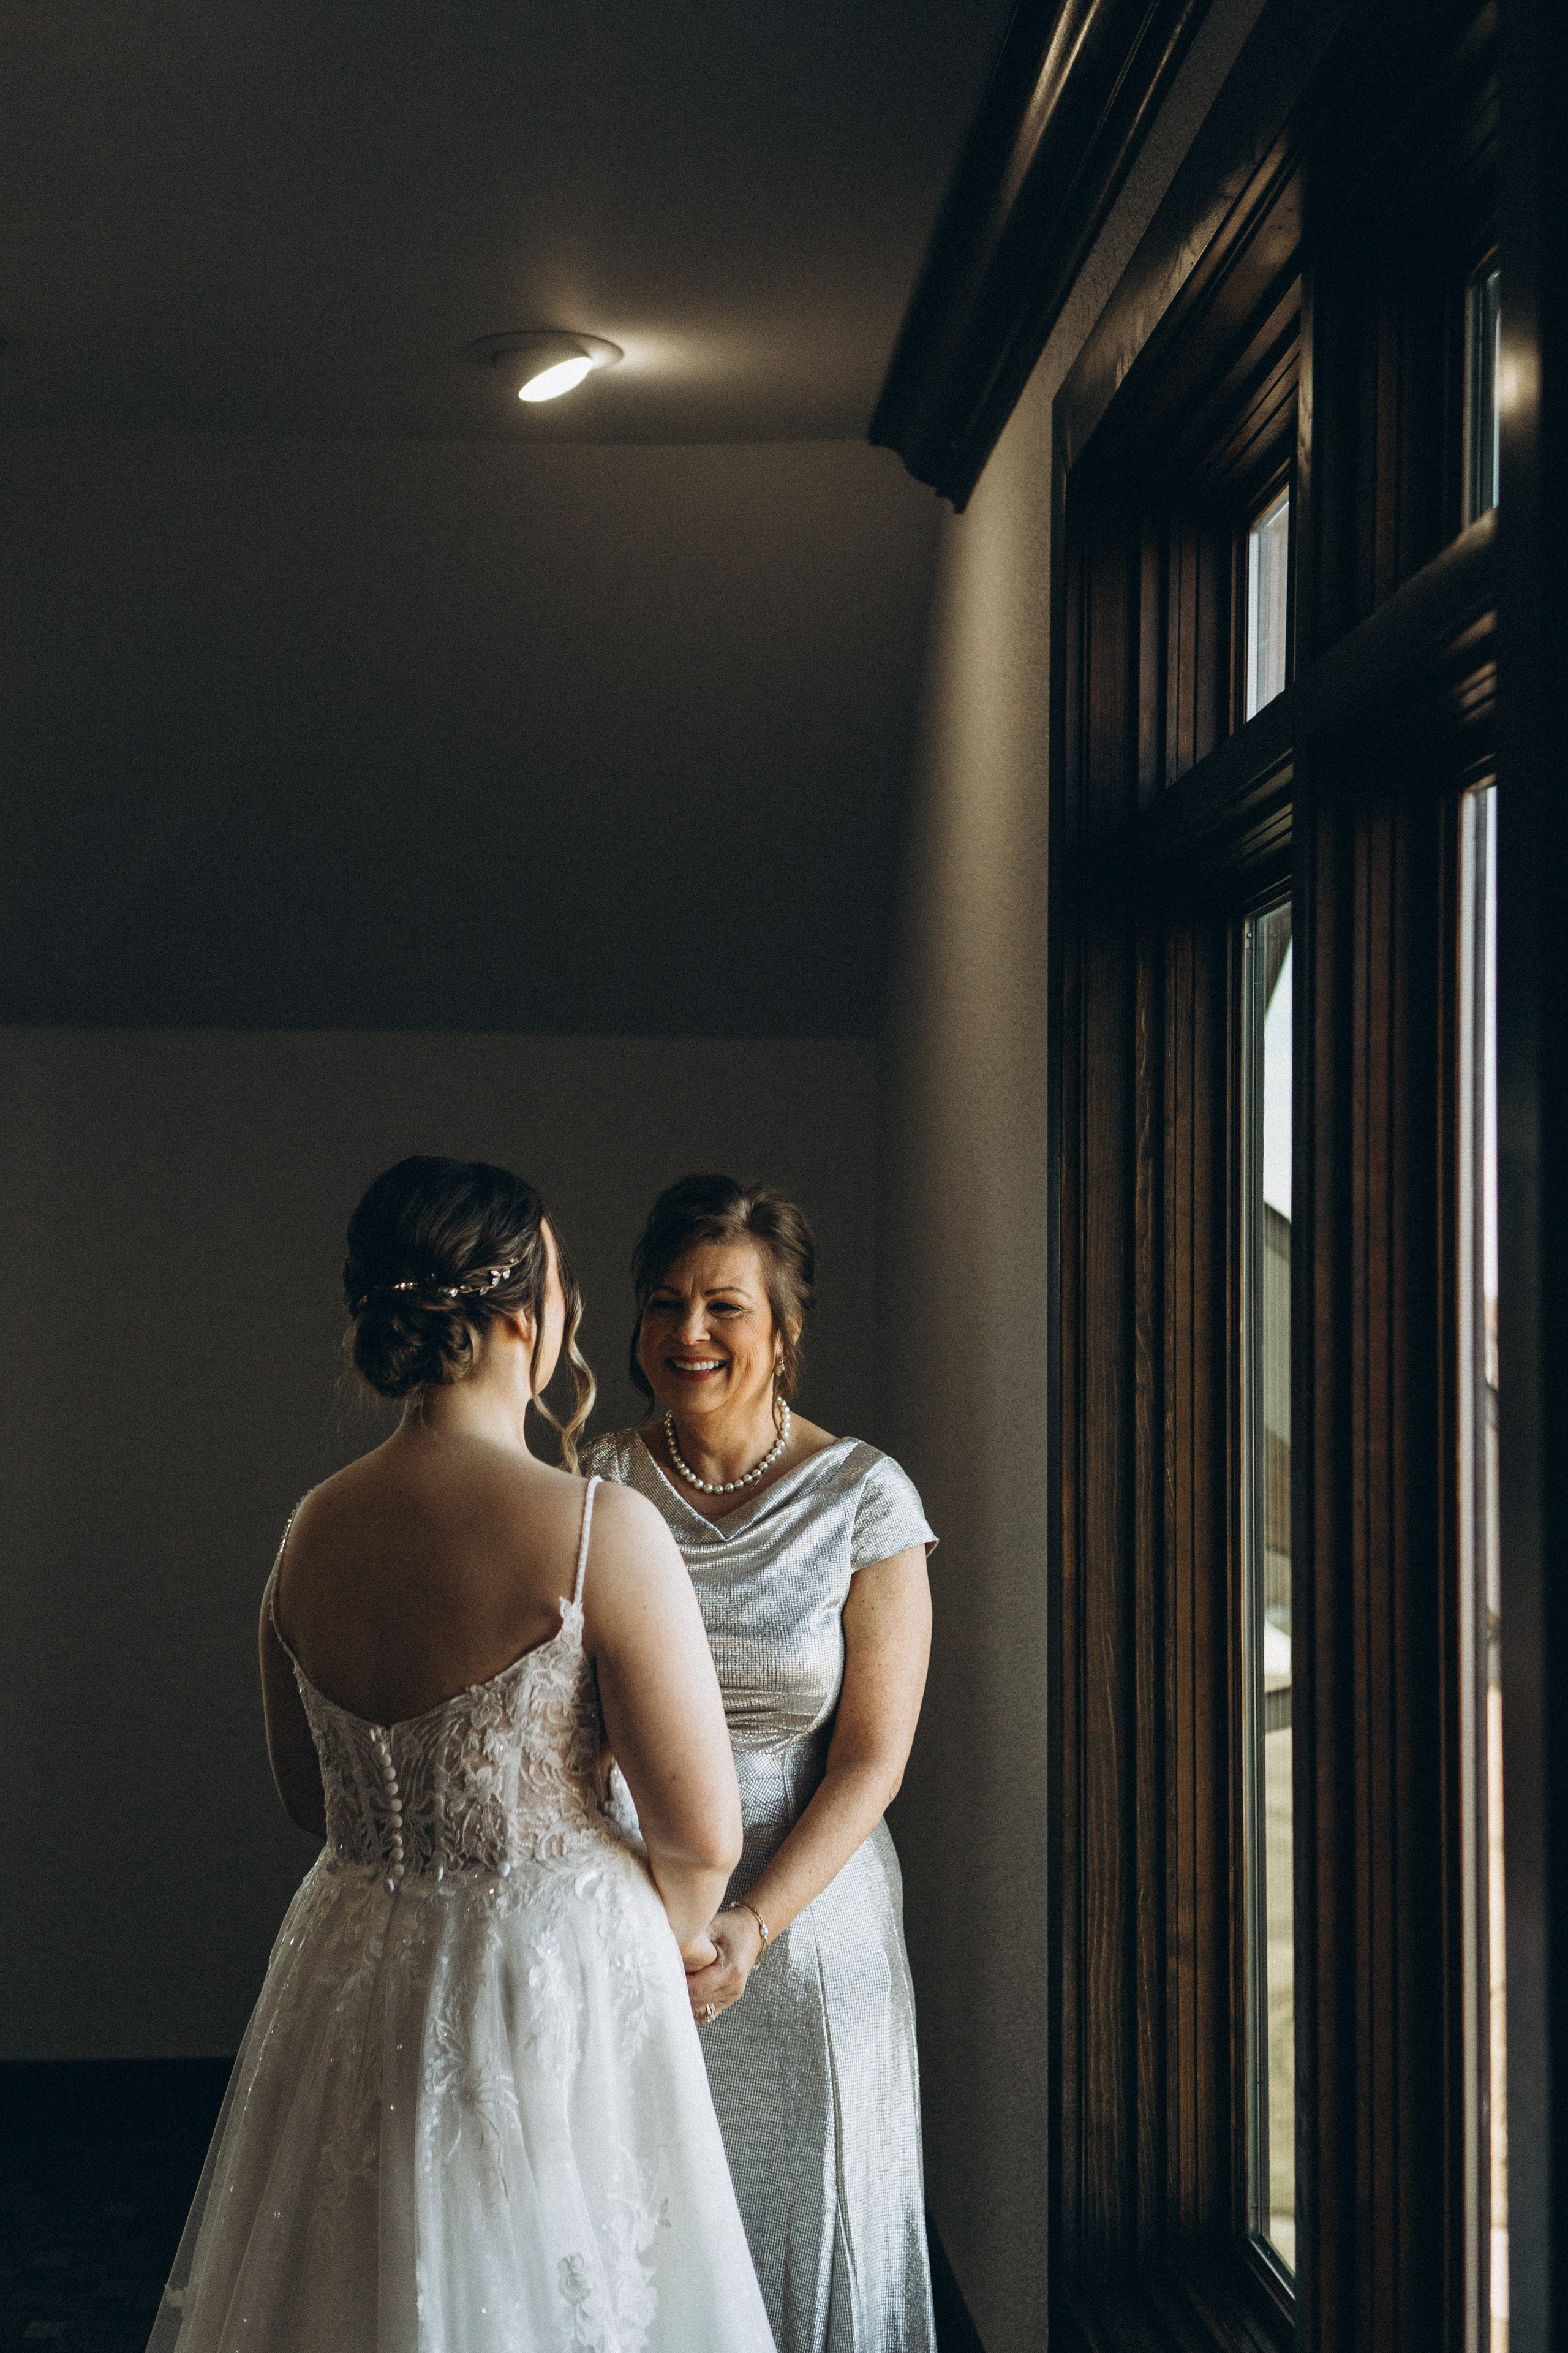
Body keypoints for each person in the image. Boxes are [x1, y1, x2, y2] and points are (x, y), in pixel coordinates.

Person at [151, 1155, 777, 2353]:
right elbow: (700, 1831)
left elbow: (307, 1795)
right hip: (542, 1983)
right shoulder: (601, 1528)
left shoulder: (309, 1529)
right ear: (520, 1317)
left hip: (347, 1967)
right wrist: (675, 1946)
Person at [581, 1174, 937, 2353]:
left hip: (808, 1915)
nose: (688, 1333)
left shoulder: (865, 1497)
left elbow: (875, 1758)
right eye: (665, 1301)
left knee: (805, 2226)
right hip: (629, 1904)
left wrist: (756, 1920)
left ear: (785, 1331)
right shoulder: (596, 1483)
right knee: (644, 2225)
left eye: (725, 1306)